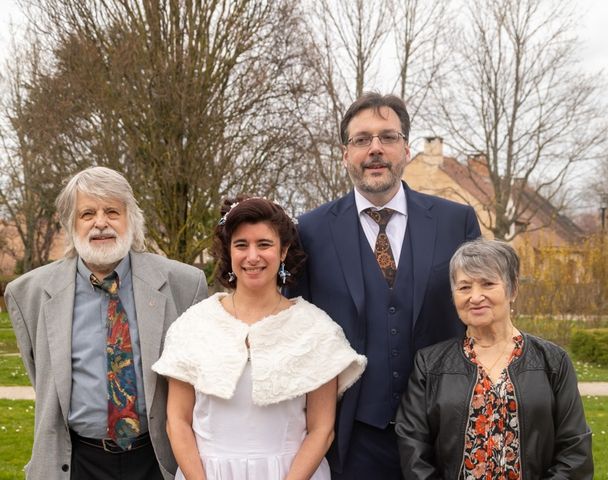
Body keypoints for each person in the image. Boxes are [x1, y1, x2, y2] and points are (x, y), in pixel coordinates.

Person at [286, 92, 482, 479]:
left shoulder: (456, 222)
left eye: (387, 137)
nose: (375, 149)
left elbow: (482, 317)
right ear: (345, 154)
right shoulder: (310, 230)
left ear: (406, 149)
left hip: (442, 431)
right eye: (362, 140)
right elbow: (295, 329)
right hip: (352, 437)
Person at [5, 166, 209, 480]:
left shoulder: (184, 284)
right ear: (71, 223)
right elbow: (43, 377)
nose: (101, 223)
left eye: (112, 211)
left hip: (159, 460)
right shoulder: (28, 293)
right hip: (77, 462)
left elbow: (197, 380)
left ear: (131, 219)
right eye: (87, 213)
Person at [152, 197, 366, 480]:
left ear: (283, 250)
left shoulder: (316, 330)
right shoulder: (193, 325)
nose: (252, 256)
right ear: (229, 252)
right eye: (241, 245)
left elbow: (321, 429)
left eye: (264, 244)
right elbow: (177, 421)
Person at [395, 238, 593, 479]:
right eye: (464, 287)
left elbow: (575, 449)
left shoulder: (553, 361)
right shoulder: (429, 364)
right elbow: (413, 448)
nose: (475, 297)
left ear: (513, 289)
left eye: (488, 284)